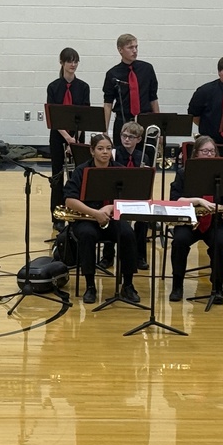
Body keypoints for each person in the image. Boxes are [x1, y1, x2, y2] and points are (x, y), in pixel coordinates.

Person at [63, 133, 141, 305]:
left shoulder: (120, 170)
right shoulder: (81, 171)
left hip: (112, 218)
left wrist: (110, 208)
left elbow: (130, 198)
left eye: (108, 148)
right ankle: (90, 285)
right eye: (100, 149)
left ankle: (128, 284)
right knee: (87, 235)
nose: (105, 152)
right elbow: (69, 200)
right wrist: (95, 213)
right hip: (86, 219)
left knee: (128, 233)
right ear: (92, 151)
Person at [168, 135, 223, 303]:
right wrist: (198, 201)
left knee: (220, 242)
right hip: (189, 221)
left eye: (212, 151)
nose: (209, 155)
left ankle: (218, 286)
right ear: (196, 154)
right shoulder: (184, 173)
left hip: (214, 221)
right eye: (205, 151)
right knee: (179, 242)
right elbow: (175, 200)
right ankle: (177, 285)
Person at [46, 48, 90, 228]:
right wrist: (67, 138)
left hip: (78, 136)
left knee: (76, 176)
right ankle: (57, 216)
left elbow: (85, 115)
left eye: (76, 61)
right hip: (58, 136)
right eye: (69, 61)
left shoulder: (83, 87)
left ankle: (75, 213)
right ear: (62, 62)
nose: (73, 64)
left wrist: (75, 140)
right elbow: (53, 117)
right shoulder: (53, 87)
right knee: (57, 176)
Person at [102, 33, 159, 145]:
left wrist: (158, 125)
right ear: (120, 50)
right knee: (121, 157)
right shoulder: (112, 74)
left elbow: (153, 98)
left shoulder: (147, 69)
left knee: (146, 155)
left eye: (136, 47)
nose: (135, 51)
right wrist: (105, 130)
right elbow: (108, 104)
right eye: (130, 47)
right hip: (123, 121)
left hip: (144, 120)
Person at [112, 120, 152, 270]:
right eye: (124, 136)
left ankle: (139, 256)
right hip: (116, 197)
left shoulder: (143, 157)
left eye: (131, 137)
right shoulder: (113, 154)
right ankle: (108, 256)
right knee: (113, 219)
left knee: (143, 220)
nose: (126, 139)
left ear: (139, 139)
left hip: (135, 197)